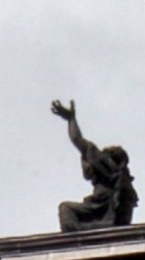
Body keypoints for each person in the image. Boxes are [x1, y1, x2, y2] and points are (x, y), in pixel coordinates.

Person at [50, 98, 139, 231]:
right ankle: (91, 229)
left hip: (97, 208)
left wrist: (71, 119)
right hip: (102, 210)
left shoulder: (104, 164)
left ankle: (85, 232)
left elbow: (77, 139)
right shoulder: (122, 179)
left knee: (65, 209)